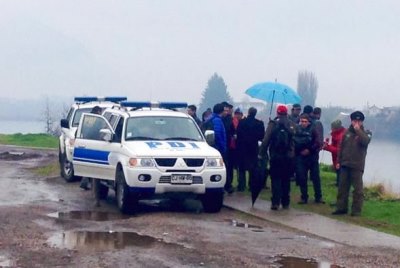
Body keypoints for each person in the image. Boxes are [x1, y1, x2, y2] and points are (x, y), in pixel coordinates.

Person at [332, 111, 372, 216]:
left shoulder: (366, 132)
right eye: (355, 120)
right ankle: (341, 208)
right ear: (351, 121)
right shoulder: (346, 133)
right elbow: (341, 147)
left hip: (357, 165)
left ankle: (356, 211)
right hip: (345, 164)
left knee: (358, 190)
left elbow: (366, 141)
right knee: (342, 188)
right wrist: (338, 162)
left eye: (359, 121)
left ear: (362, 122)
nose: (356, 123)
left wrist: (358, 131)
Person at [259, 105, 295, 210]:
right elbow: (294, 139)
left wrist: (261, 153)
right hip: (288, 157)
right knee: (286, 179)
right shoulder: (291, 124)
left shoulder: (273, 124)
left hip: (275, 156)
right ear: (286, 112)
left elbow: (265, 140)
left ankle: (275, 202)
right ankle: (286, 202)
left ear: (277, 112)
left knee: (275, 179)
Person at [293, 113, 324, 204]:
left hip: (312, 156)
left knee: (315, 177)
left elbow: (318, 142)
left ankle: (318, 196)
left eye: (305, 121)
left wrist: (309, 150)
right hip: (300, 156)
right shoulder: (296, 129)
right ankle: (304, 197)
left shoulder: (313, 130)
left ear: (309, 122)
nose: (303, 123)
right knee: (302, 177)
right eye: (302, 121)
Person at [236, 107, 265, 192]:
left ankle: (241, 185)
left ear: (248, 112)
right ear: (255, 113)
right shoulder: (259, 123)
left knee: (241, 168)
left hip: (242, 147)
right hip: (253, 148)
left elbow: (238, 134)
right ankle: (251, 185)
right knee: (253, 168)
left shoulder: (241, 122)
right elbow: (261, 136)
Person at [80, 106, 102, 190]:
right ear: (97, 111)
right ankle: (87, 183)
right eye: (100, 112)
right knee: (92, 165)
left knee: (87, 164)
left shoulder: (88, 118)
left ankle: (84, 182)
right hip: (93, 142)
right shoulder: (97, 119)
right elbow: (97, 130)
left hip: (85, 141)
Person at [322, 119, 346, 186]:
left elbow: (339, 150)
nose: (331, 129)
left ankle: (340, 185)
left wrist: (327, 147)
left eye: (332, 128)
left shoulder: (341, 136)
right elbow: (334, 145)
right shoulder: (335, 134)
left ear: (336, 128)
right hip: (336, 157)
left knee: (341, 171)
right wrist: (326, 143)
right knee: (338, 171)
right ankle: (338, 183)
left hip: (341, 158)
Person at [221, 101, 235, 194]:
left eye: (228, 109)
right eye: (226, 110)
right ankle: (227, 185)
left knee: (228, 166)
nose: (227, 111)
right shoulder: (225, 120)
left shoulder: (229, 119)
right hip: (224, 145)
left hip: (227, 146)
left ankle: (228, 184)